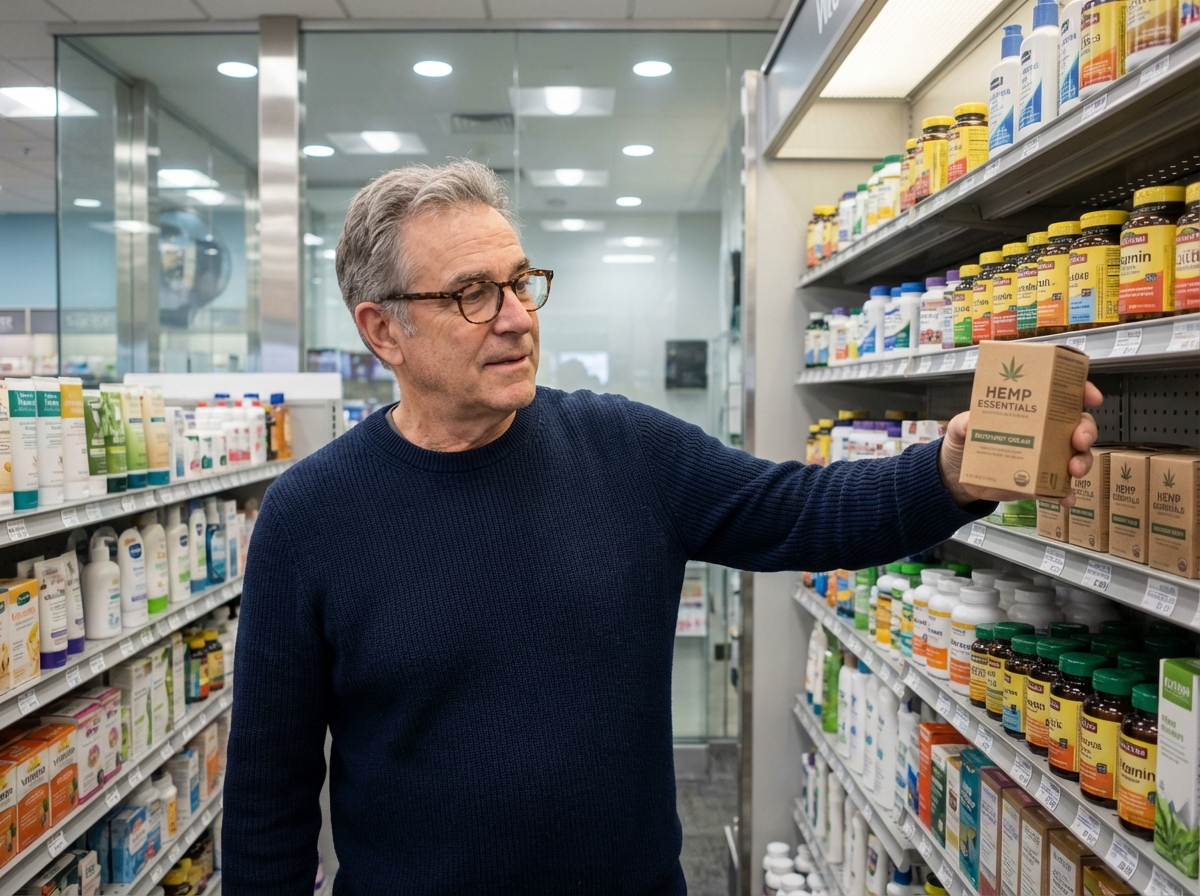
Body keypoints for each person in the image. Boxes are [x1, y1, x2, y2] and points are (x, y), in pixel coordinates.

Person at [222, 160, 1100, 895]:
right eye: (472, 295)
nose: (519, 318)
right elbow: (269, 789)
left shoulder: (624, 449)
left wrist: (951, 474)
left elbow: (799, 510)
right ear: (384, 332)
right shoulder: (311, 516)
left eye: (522, 283)